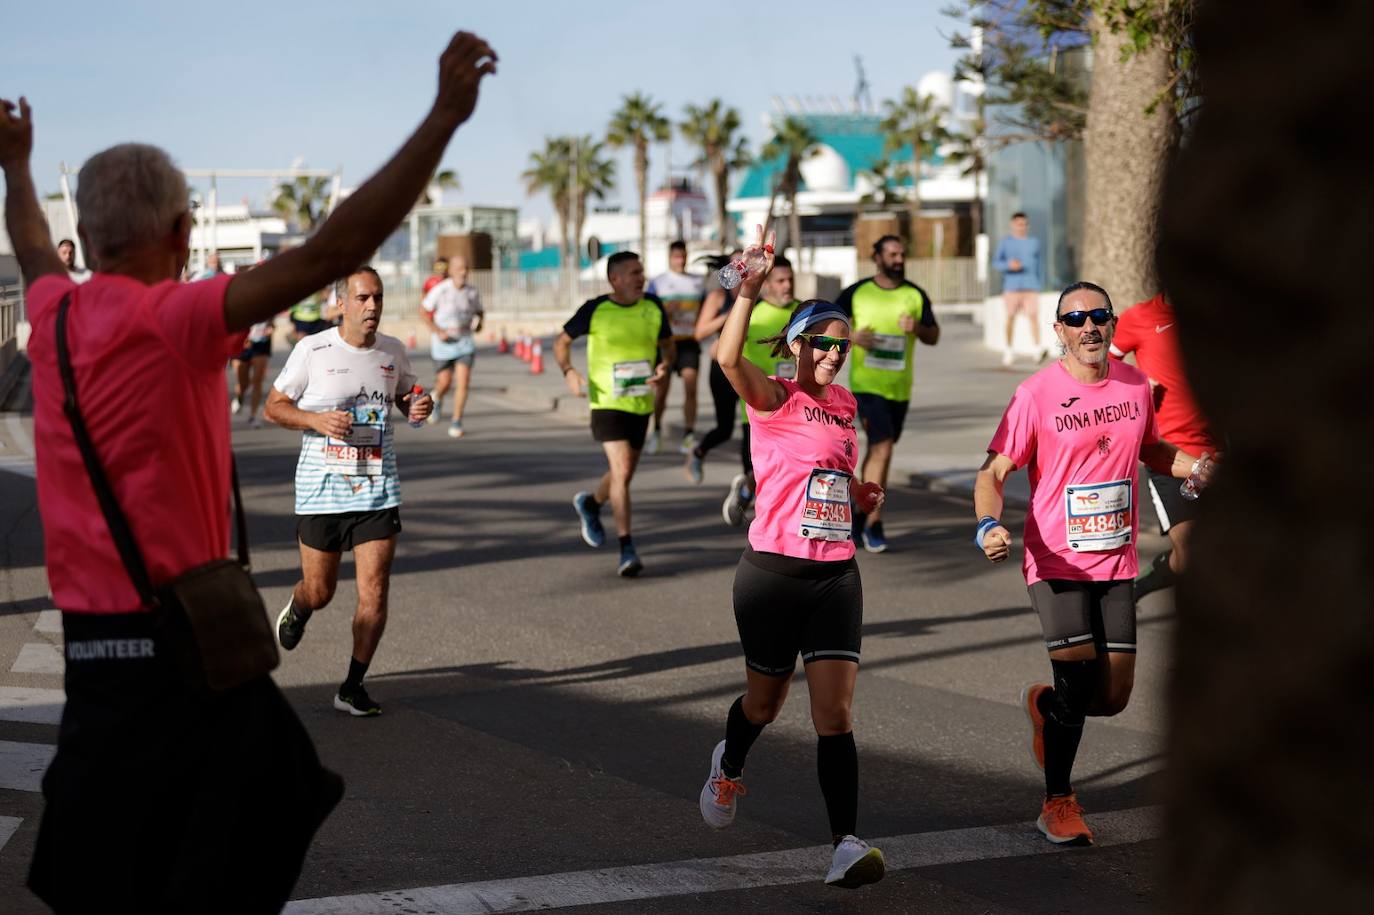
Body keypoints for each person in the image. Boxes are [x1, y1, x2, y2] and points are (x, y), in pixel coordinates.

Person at [1, 30, 495, 910]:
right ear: (184, 232)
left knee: (111, 850)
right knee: (253, 819)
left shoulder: (57, 314)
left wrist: (17, 166)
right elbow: (327, 252)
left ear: (91, 235)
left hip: (93, 643)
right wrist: (444, 118)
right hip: (187, 637)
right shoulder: (180, 317)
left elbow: (35, 248)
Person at [974, 281, 1213, 847]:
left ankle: (1047, 705)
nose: (1088, 327)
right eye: (1075, 318)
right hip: (1055, 558)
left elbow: (1151, 450)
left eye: (1098, 317)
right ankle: (1057, 801)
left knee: (1111, 697)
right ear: (1058, 330)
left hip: (1116, 559)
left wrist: (1199, 468)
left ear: (1109, 325)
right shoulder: (1035, 394)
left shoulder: (1134, 385)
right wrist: (988, 524)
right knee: (1079, 674)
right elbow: (992, 472)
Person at [698, 226, 887, 889]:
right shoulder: (776, 395)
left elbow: (835, 474)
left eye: (842, 343)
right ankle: (729, 765)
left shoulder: (845, 403)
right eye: (823, 342)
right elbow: (726, 360)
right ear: (798, 345)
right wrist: (745, 290)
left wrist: (860, 492)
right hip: (772, 574)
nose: (834, 353)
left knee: (834, 714)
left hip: (835, 573)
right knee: (764, 706)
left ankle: (845, 843)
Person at [265, 267, 430, 716]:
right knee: (322, 591)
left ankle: (352, 686)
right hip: (323, 491)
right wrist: (316, 420)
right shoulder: (312, 350)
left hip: (378, 489)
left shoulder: (392, 351)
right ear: (342, 303)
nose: (372, 306)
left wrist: (418, 402)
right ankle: (299, 607)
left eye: (377, 297)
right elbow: (274, 407)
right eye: (362, 298)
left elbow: (404, 395)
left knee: (374, 592)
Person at [555, 251, 674, 577]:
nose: (641, 278)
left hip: (640, 402)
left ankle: (591, 503)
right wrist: (568, 371)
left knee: (624, 473)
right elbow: (560, 343)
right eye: (634, 272)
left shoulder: (652, 305)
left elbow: (668, 346)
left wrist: (664, 367)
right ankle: (627, 548)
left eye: (643, 271)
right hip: (606, 402)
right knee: (621, 469)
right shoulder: (594, 309)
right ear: (615, 279)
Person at [1109, 291, 1218, 598]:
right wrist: (1135, 383)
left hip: (1217, 448)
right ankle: (1154, 576)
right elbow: (1104, 367)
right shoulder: (1140, 317)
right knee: (1190, 556)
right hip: (1168, 455)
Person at [835, 234, 939, 553]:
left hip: (899, 389)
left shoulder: (914, 294)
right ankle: (874, 522)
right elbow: (825, 326)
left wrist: (917, 329)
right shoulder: (856, 292)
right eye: (892, 254)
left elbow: (933, 335)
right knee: (881, 448)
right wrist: (852, 336)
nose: (898, 259)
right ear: (876, 257)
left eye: (901, 254)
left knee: (883, 449)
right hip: (867, 386)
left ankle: (855, 511)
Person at [720, 254, 798, 526]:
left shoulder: (804, 312)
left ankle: (777, 523)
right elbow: (724, 352)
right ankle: (747, 491)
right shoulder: (751, 314)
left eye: (790, 279)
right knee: (766, 472)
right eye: (780, 280)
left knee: (789, 470)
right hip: (758, 409)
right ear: (767, 284)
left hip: (798, 407)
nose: (787, 285)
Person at [683, 252, 741, 484]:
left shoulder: (760, 295)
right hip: (723, 368)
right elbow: (699, 332)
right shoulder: (719, 296)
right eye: (737, 264)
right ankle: (698, 452)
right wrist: (729, 315)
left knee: (754, 428)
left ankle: (750, 481)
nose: (742, 268)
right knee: (725, 429)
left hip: (752, 367)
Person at [646, 239, 703, 457]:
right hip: (664, 343)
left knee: (691, 388)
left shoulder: (697, 282)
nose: (680, 261)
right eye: (676, 257)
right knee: (661, 391)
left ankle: (688, 435)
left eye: (683, 256)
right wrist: (666, 312)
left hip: (689, 342)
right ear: (669, 258)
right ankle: (657, 430)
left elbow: (706, 310)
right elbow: (649, 312)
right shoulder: (658, 282)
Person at [420, 253, 484, 437]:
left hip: (464, 341)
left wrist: (479, 323)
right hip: (443, 343)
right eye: (458, 269)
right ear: (451, 271)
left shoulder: (472, 292)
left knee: (463, 381)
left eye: (465, 269)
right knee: (445, 382)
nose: (462, 273)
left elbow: (480, 312)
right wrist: (437, 330)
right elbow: (423, 311)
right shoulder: (441, 290)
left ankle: (456, 421)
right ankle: (437, 396)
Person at [992, 212, 1046, 366]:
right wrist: (1009, 265)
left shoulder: (1034, 242)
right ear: (1013, 225)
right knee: (1010, 318)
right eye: (1019, 224)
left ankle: (1037, 349)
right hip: (1012, 286)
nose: (1022, 227)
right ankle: (1008, 350)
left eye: (1024, 224)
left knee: (1033, 317)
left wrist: (1040, 284)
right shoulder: (1006, 243)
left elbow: (1040, 265)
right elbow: (996, 262)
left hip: (1031, 286)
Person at [231, 299, 275, 427]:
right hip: (242, 344)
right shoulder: (242, 300)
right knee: (243, 382)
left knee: (257, 380)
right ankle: (240, 396)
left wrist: (271, 328)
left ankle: (253, 416)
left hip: (261, 344)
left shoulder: (268, 301)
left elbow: (271, 321)